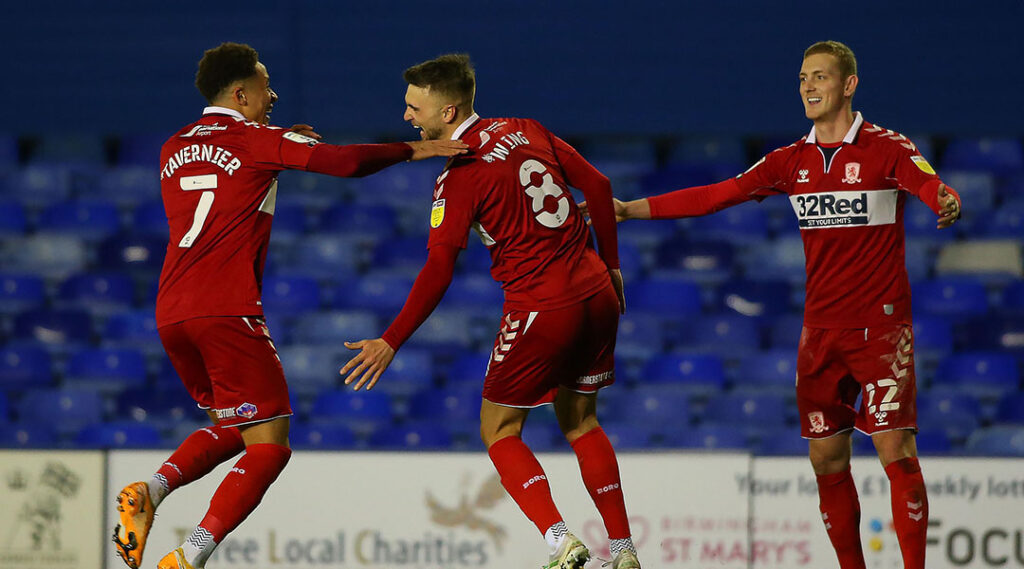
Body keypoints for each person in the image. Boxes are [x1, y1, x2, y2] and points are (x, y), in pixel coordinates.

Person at [595, 41, 960, 569]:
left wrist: (943, 198)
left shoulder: (887, 148)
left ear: (849, 85)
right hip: (820, 334)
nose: (808, 86)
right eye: (803, 78)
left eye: (820, 77)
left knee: (895, 450)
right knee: (826, 459)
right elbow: (716, 195)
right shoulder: (789, 161)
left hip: (880, 331)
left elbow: (927, 183)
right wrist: (631, 209)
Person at [111, 42, 466, 569]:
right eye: (265, 86)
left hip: (171, 310)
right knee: (270, 444)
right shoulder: (260, 141)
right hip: (226, 309)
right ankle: (190, 556)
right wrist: (415, 150)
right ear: (240, 94)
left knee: (236, 425)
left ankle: (152, 490)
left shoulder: (172, 146)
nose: (273, 95)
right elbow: (344, 162)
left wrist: (279, 141)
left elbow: (226, 172)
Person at [340, 53, 641, 569]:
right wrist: (611, 266)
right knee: (581, 422)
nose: (407, 116)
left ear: (449, 111)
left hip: (542, 306)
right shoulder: (527, 128)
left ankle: (560, 540)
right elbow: (599, 186)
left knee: (498, 428)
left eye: (415, 108)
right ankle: (623, 549)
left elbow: (438, 271)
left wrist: (392, 339)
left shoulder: (459, 176)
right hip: (596, 293)